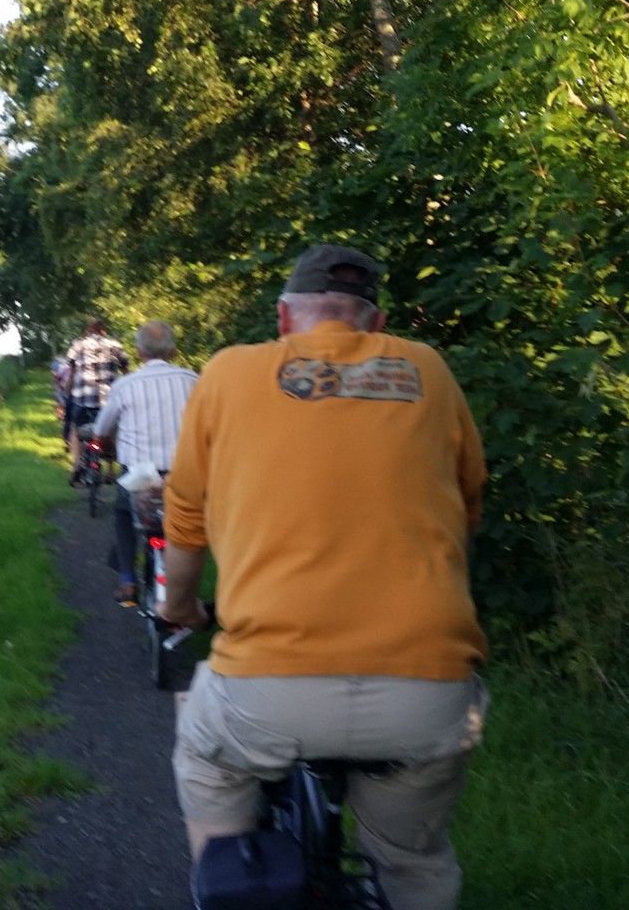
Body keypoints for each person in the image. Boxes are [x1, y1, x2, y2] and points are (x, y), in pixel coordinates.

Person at [157, 244, 489, 910]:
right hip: (427, 688)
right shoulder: (426, 369)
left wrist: (180, 608)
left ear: (284, 319)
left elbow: (186, 520)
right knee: (412, 858)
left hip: (267, 691)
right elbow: (467, 501)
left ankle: (235, 884)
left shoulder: (228, 373)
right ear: (377, 323)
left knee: (205, 757)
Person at [89, 320, 198, 604]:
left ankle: (128, 581)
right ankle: (187, 586)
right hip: (183, 475)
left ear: (139, 352)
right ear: (173, 351)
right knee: (188, 524)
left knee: (123, 514)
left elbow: (101, 430)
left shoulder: (125, 385)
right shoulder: (193, 380)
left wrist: (103, 444)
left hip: (139, 477)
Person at [62, 317, 129, 484]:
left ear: (87, 332)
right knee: (113, 430)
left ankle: (76, 465)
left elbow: (72, 374)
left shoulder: (78, 346)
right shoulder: (115, 346)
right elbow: (126, 372)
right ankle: (111, 470)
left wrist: (67, 392)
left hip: (83, 400)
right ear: (103, 331)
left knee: (75, 430)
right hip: (110, 400)